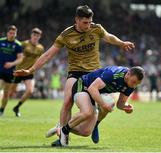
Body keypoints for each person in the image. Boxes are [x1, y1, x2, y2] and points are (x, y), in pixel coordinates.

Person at [13, 5, 135, 144]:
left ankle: (93, 125)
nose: (88, 26)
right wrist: (30, 70)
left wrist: (121, 43)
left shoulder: (96, 28)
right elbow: (48, 55)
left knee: (89, 126)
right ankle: (63, 138)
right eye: (85, 22)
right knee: (67, 100)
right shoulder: (66, 35)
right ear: (76, 20)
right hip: (75, 72)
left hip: (94, 74)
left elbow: (108, 37)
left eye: (90, 22)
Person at [51, 65, 145, 146]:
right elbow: (92, 88)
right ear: (128, 74)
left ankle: (91, 124)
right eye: (133, 82)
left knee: (86, 132)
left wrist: (126, 107)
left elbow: (120, 104)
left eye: (137, 84)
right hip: (84, 85)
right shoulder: (113, 74)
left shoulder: (131, 86)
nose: (134, 86)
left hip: (97, 93)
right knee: (88, 112)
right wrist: (103, 105)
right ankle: (64, 131)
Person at [10, 28, 44, 117]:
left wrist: (36, 69)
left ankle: (17, 107)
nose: (35, 37)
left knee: (30, 91)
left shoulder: (40, 48)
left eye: (37, 36)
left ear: (40, 37)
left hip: (28, 72)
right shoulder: (24, 44)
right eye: (34, 35)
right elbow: (15, 54)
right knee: (11, 92)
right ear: (31, 35)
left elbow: (40, 60)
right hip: (18, 71)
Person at [0, 25, 23, 116]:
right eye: (10, 33)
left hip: (10, 72)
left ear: (16, 34)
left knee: (6, 94)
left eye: (14, 33)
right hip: (0, 70)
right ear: (7, 33)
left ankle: (1, 110)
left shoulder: (18, 45)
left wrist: (12, 64)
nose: (12, 35)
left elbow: (20, 59)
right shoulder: (1, 41)